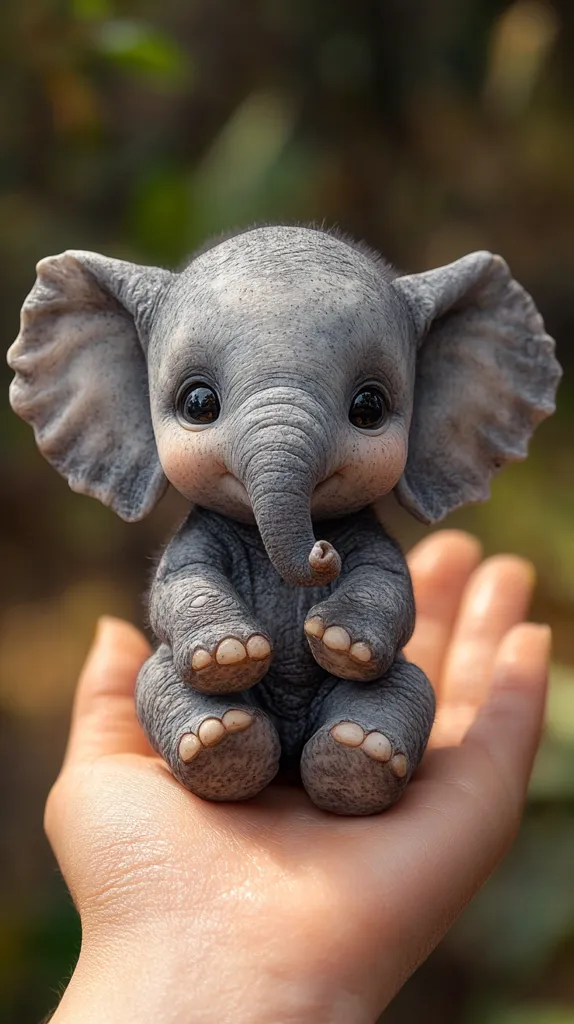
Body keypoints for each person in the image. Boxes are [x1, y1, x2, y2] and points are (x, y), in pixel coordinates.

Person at [45, 530, 550, 1024]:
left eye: (366, 435)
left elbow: (382, 587)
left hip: (346, 692)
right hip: (229, 696)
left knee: (404, 685)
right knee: (162, 678)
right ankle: (217, 741)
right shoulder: (203, 541)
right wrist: (209, 627)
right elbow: (184, 585)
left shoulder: (366, 543)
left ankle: (356, 748)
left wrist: (361, 624)